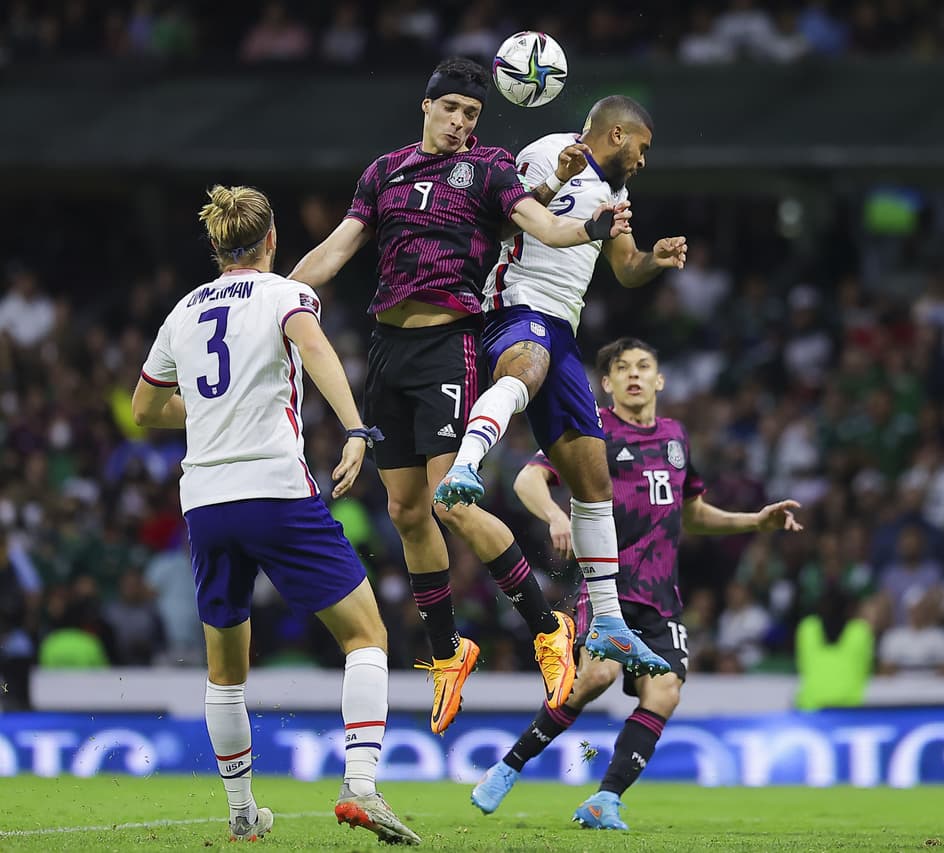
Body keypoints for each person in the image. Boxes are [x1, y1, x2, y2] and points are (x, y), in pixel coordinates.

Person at [289, 57, 646, 734]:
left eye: (473, 115)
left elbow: (544, 226)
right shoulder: (383, 171)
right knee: (404, 509)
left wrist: (591, 227)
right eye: (451, 110)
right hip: (386, 347)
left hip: (448, 342)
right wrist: (278, 295)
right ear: (426, 107)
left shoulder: (490, 170)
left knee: (452, 505)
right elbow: (336, 249)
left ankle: (548, 628)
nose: (461, 123)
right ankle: (449, 651)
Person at [131, 185, 419, 845]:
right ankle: (362, 786)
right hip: (274, 490)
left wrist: (204, 411)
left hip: (205, 502)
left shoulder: (182, 311)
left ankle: (240, 810)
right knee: (366, 635)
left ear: (214, 247)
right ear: (271, 241)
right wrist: (355, 429)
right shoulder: (285, 294)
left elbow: (144, 410)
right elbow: (314, 349)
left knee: (225, 669)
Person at [469, 338, 803, 830]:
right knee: (595, 679)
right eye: (622, 368)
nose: (633, 375)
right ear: (606, 384)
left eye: (644, 366)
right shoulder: (592, 429)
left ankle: (605, 800)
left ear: (659, 379)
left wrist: (756, 521)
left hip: (661, 597)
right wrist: (555, 515)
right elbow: (528, 480)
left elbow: (692, 514)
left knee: (665, 693)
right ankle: (508, 766)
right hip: (609, 588)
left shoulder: (676, 437)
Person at [434, 95, 689, 678]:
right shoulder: (550, 152)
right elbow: (496, 224)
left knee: (593, 476)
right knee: (525, 367)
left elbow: (624, 268)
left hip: (562, 326)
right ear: (618, 134)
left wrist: (655, 257)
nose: (645, 162)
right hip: (514, 301)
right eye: (643, 149)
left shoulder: (618, 195)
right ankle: (464, 468)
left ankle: (607, 625)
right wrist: (556, 181)